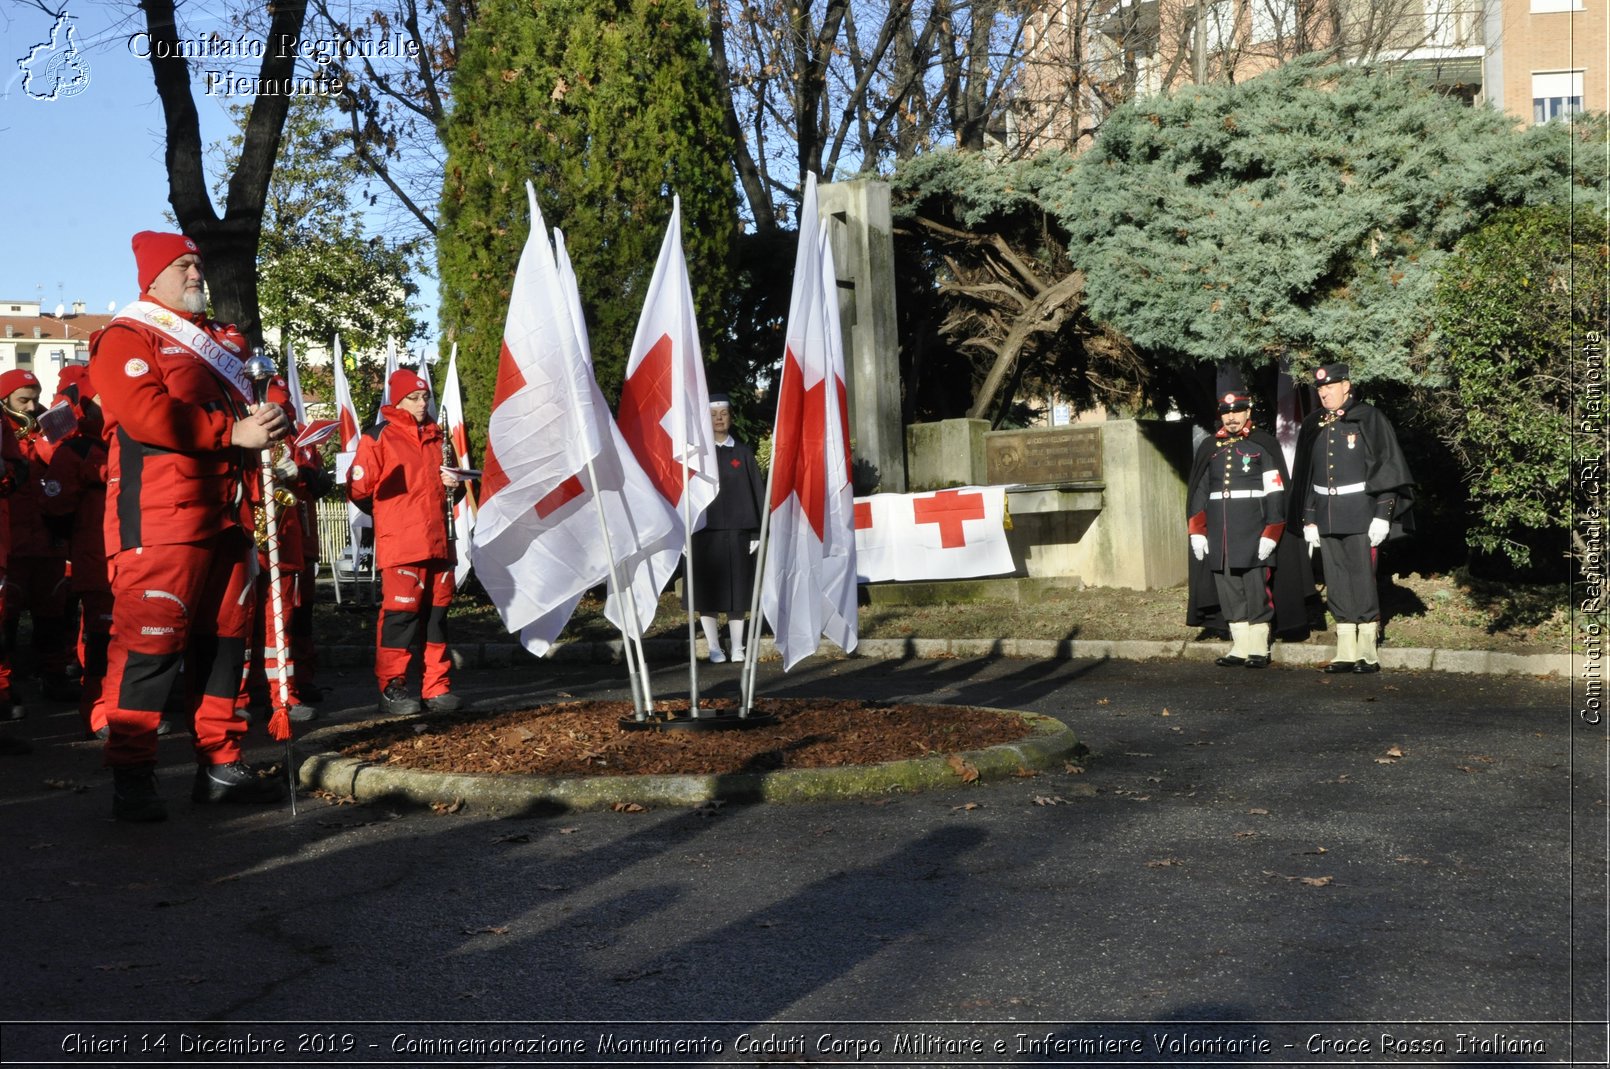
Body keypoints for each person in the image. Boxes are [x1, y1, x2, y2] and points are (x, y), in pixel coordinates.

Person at [90, 230, 291, 822]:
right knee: (150, 652)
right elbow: (149, 414)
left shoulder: (215, 344)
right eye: (183, 265)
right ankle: (133, 774)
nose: (196, 272)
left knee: (226, 646)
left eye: (198, 263)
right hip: (162, 520)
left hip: (228, 514)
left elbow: (243, 412)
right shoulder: (126, 336)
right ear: (152, 279)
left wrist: (266, 420)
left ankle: (221, 764)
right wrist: (233, 432)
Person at [348, 369, 462, 715]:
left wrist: (454, 488)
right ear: (396, 401)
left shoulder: (439, 436)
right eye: (413, 397)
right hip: (402, 543)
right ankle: (392, 688)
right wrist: (390, 513)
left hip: (440, 542)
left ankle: (437, 688)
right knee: (400, 618)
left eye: (425, 396)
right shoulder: (378, 436)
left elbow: (451, 493)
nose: (421, 402)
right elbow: (357, 490)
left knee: (436, 618)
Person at [1290, 360, 1415, 673]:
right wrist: (1309, 519)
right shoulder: (1314, 424)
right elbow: (1307, 476)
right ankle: (1345, 650)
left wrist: (1382, 515)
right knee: (1336, 580)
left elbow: (1386, 469)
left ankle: (1367, 651)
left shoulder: (1368, 419)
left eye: (1330, 387)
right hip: (1327, 515)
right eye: (1320, 389)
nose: (1324, 393)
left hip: (1361, 514)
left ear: (1347, 386)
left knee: (1361, 579)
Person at [1185, 366, 1309, 668]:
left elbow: (1276, 492)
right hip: (1220, 534)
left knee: (1256, 590)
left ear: (1247, 409)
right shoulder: (1210, 447)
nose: (1231, 418)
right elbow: (1200, 490)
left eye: (1237, 411)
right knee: (1228, 590)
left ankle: (1258, 647)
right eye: (1226, 412)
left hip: (1253, 532)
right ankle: (1239, 647)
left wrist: (1272, 532)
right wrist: (1197, 530)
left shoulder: (1262, 444)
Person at [39, 364, 119, 738]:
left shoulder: (129, 442)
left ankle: (126, 710)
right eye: (105, 398)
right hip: (97, 559)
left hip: (132, 558)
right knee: (102, 640)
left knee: (132, 640)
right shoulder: (75, 450)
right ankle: (99, 712)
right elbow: (55, 507)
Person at [236, 375, 318, 725]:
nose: (281, 415)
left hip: (284, 541)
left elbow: (314, 482)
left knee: (278, 626)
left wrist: (298, 474)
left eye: (284, 408)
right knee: (240, 624)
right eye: (275, 407)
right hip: (250, 539)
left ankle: (283, 696)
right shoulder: (243, 435)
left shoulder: (295, 440)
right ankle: (237, 694)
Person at [0, 368, 78, 704]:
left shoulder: (50, 430)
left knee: (53, 612)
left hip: (47, 541)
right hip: (13, 543)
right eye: (23, 400)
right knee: (7, 616)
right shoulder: (5, 434)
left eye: (35, 398)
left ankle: (54, 676)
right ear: (5, 401)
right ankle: (8, 685)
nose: (32, 407)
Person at [686, 394, 764, 663]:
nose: (719, 419)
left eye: (724, 413)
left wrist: (757, 532)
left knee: (737, 593)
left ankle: (739, 647)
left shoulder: (742, 452)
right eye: (713, 414)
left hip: (738, 534)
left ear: (731, 417)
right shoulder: (697, 457)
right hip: (703, 534)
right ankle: (714, 647)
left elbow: (757, 492)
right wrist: (682, 532)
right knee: (707, 595)